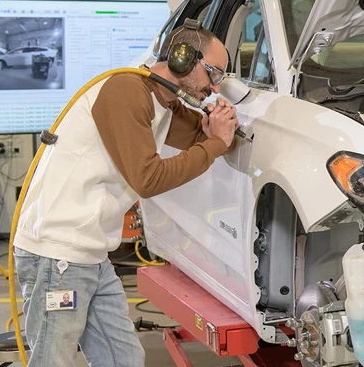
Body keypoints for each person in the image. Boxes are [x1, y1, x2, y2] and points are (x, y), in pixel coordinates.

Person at [12, 23, 239, 366]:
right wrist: (215, 144)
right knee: (52, 361)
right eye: (213, 73)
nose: (215, 86)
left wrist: (215, 136)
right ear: (182, 59)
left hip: (90, 255)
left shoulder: (162, 100)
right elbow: (148, 178)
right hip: (57, 254)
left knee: (124, 360)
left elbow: (201, 138)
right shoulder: (126, 91)